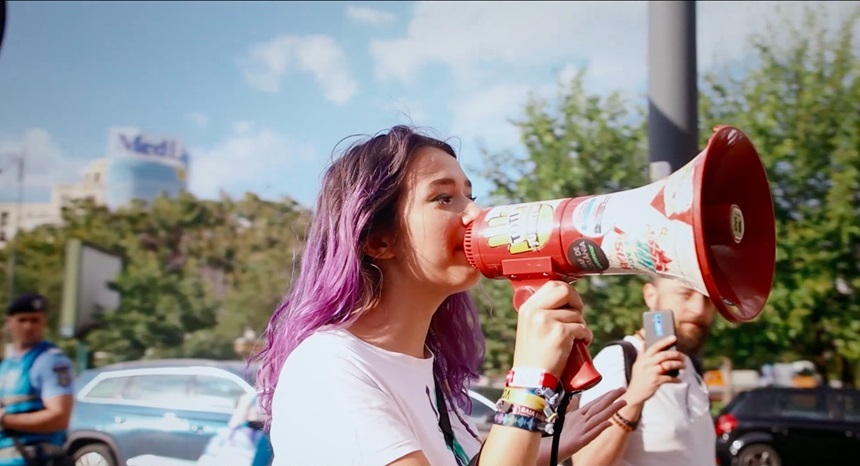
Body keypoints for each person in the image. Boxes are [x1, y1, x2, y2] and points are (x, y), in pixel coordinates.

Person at [252, 125, 626, 466]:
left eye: (471, 196)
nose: (476, 213)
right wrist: (528, 384)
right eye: (444, 198)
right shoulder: (329, 367)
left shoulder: (425, 370)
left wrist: (542, 445)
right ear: (378, 240)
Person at [572, 277, 717, 466]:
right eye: (686, 294)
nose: (699, 309)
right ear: (651, 295)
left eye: (708, 299)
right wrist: (633, 398)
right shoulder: (618, 359)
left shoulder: (691, 366)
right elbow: (585, 463)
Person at [0, 293, 75, 466]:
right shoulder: (8, 364)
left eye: (35, 320)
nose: (28, 326)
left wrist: (5, 420)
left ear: (44, 322)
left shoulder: (51, 362)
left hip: (34, 460)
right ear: (9, 322)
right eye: (22, 320)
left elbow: (60, 417)